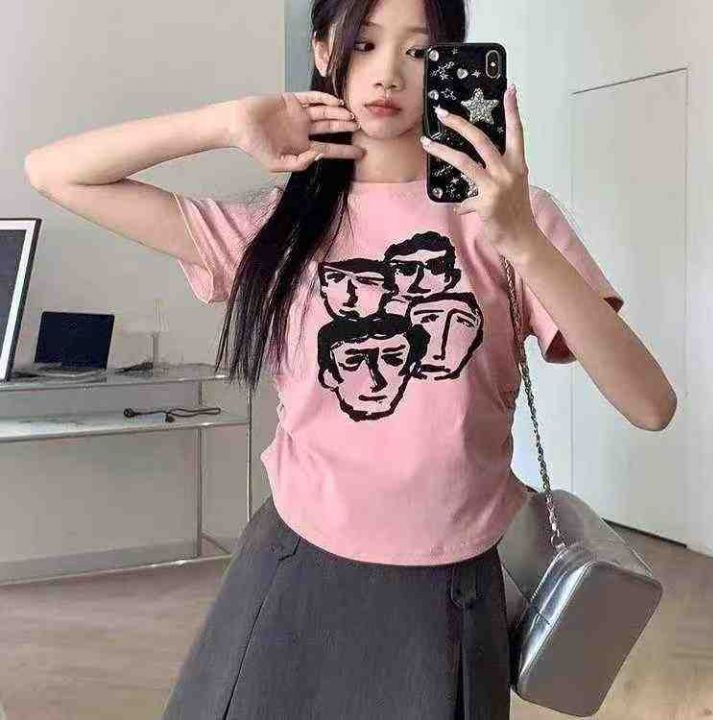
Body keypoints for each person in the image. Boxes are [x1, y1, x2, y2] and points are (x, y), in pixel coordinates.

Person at [25, 0, 656, 716]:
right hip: (295, 573)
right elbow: (54, 173)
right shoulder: (276, 227)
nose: (388, 74)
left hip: (449, 591)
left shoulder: (515, 218)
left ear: (450, 63)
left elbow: (649, 404)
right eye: (364, 44)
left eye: (418, 50)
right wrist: (227, 122)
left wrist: (522, 240)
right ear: (325, 50)